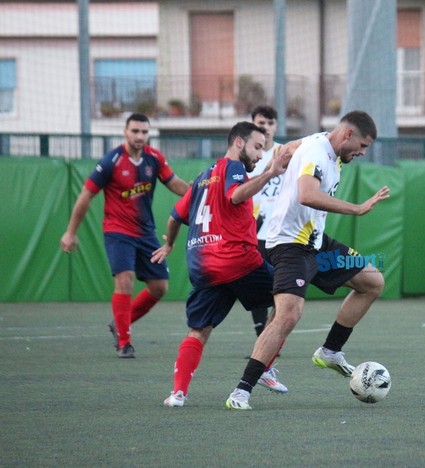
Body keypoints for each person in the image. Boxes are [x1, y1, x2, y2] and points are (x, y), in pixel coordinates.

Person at [226, 110, 390, 411]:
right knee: (288, 315)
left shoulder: (318, 142)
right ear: (348, 135)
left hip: (316, 244)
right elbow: (306, 195)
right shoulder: (317, 152)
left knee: (371, 281)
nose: (363, 153)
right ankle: (242, 390)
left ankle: (330, 351)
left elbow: (288, 148)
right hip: (290, 246)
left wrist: (279, 163)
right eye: (363, 146)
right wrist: (357, 209)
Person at [155, 122, 291, 407]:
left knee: (198, 331)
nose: (259, 155)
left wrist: (168, 244)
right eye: (257, 147)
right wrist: (269, 173)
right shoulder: (234, 168)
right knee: (289, 300)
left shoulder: (203, 178)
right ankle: (264, 366)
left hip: (203, 265)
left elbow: (174, 216)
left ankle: (178, 393)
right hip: (237, 260)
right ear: (239, 143)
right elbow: (235, 195)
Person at [60, 113, 190, 358]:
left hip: (145, 233)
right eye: (135, 131)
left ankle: (120, 322)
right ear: (125, 132)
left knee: (160, 287)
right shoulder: (112, 161)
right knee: (125, 279)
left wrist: (197, 193)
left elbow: (175, 184)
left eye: (144, 131)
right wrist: (70, 232)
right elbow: (85, 196)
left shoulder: (155, 158)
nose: (140, 136)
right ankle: (124, 341)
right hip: (117, 231)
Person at [248, 105, 282, 340]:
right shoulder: (249, 156)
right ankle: (262, 333)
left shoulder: (286, 153)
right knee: (257, 286)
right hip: (254, 232)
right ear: (253, 124)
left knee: (283, 286)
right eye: (261, 123)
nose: (266, 128)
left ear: (276, 126)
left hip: (283, 232)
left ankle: (273, 334)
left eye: (270, 123)